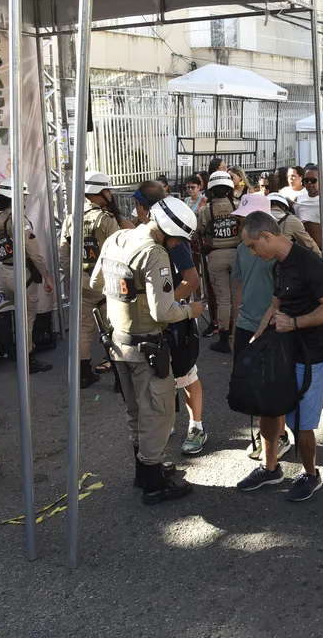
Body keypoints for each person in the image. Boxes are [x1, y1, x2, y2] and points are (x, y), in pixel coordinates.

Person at [90, 196, 203, 504]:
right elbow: (163, 312)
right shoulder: (154, 254)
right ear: (167, 231)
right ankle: (154, 484)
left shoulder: (117, 237)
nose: (178, 244)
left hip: (118, 343)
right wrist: (191, 310)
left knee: (136, 411)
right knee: (159, 414)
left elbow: (97, 282)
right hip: (147, 347)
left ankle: (144, 471)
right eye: (178, 239)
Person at [237, 212, 323, 502]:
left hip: (314, 354)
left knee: (302, 423)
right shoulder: (278, 265)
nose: (251, 251)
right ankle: (270, 468)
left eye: (251, 245)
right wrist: (256, 340)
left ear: (267, 237)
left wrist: (295, 323)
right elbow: (275, 307)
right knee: (269, 408)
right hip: (285, 349)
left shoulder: (309, 263)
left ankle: (311, 474)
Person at [135, 181, 208, 456]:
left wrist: (169, 305)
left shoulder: (171, 236)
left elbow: (191, 280)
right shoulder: (144, 234)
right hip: (155, 320)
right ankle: (168, 424)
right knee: (159, 378)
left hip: (173, 320)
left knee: (185, 375)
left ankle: (197, 426)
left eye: (139, 205)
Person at [230, 204, 294, 461]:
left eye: (248, 218)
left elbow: (281, 295)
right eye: (242, 219)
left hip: (270, 325)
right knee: (251, 383)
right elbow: (241, 286)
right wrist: (235, 327)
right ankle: (263, 436)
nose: (243, 223)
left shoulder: (278, 251)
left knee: (271, 385)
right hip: (246, 323)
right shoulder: (240, 250)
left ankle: (280, 436)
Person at [59, 171, 133, 387]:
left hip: (81, 282)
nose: (110, 194)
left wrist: (73, 277)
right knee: (114, 328)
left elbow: (64, 252)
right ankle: (121, 379)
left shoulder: (71, 219)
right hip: (106, 283)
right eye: (108, 190)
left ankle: (83, 374)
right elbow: (119, 250)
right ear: (101, 192)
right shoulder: (106, 219)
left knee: (84, 328)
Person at [0, 182, 54, 372]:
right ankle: (28, 360)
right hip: (21, 274)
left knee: (20, 316)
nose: (26, 199)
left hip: (5, 273)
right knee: (28, 319)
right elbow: (35, 254)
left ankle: (22, 353)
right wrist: (47, 277)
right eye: (23, 195)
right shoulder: (19, 221)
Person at [198, 170, 239, 353]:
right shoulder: (237, 206)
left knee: (223, 300)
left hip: (215, 256)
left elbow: (199, 231)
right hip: (237, 255)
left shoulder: (206, 210)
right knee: (237, 298)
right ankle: (238, 336)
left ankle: (224, 338)